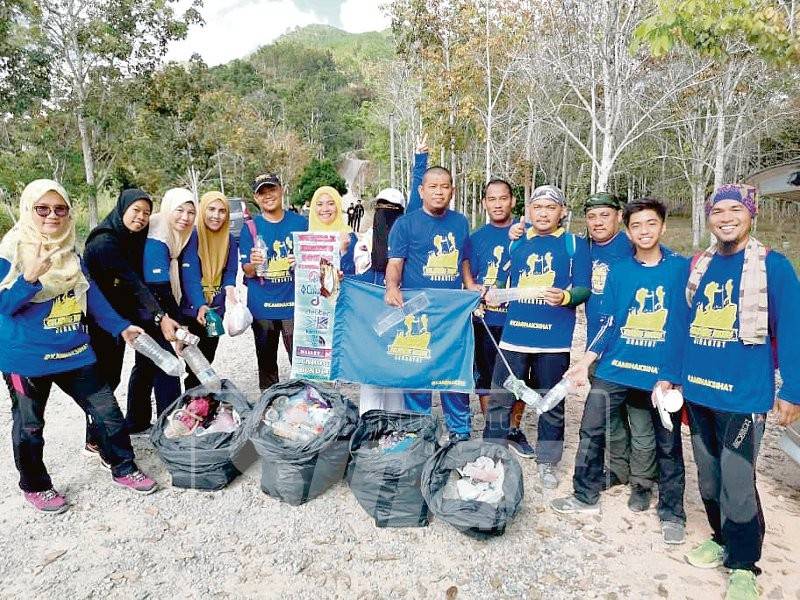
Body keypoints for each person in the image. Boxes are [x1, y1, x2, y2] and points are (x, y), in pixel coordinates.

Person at [0, 179, 157, 513]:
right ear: (29, 210)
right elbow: (3, 305)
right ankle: (35, 484)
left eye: (60, 209)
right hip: (26, 359)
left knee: (107, 413)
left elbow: (92, 297)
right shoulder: (11, 251)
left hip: (74, 351)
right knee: (30, 427)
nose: (52, 216)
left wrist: (121, 326)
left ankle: (123, 466)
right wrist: (28, 279)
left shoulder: (70, 251)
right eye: (43, 209)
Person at [681, 184, 800, 600]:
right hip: (698, 392)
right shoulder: (699, 264)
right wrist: (675, 379)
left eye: (735, 209)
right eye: (717, 210)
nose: (725, 217)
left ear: (752, 213)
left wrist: (794, 390)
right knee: (709, 479)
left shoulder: (774, 266)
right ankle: (719, 536)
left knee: (738, 481)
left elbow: (791, 330)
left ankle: (745, 562)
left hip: (744, 396)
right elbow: (683, 325)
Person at [550, 197, 688, 545]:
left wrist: (672, 374)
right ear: (629, 230)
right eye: (637, 225)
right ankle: (584, 495)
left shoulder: (679, 268)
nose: (644, 231)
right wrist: (584, 361)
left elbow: (682, 325)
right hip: (614, 366)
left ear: (663, 227)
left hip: (658, 371)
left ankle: (670, 511)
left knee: (666, 442)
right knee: (592, 429)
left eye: (651, 224)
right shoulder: (619, 270)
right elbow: (609, 322)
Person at [483, 185, 591, 488]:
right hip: (514, 338)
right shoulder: (517, 243)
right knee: (501, 399)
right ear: (529, 211)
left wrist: (567, 296)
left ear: (562, 212)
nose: (543, 213)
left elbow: (584, 288)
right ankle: (490, 454)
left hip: (553, 341)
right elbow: (503, 282)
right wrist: (495, 294)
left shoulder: (574, 244)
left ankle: (547, 462)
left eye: (550, 207)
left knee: (551, 402)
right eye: (538, 207)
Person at [385, 165, 479, 442]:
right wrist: (392, 287)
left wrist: (470, 284)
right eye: (433, 187)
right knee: (417, 373)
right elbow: (395, 263)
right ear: (421, 191)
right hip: (418, 311)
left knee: (454, 373)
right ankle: (419, 433)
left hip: (452, 315)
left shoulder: (460, 222)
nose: (439, 192)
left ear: (452, 191)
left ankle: (459, 434)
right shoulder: (405, 224)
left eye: (445, 187)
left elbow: (463, 258)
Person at [83, 188, 181, 453]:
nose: (140, 217)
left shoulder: (134, 239)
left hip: (126, 314)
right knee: (107, 378)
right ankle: (93, 438)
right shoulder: (104, 243)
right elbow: (132, 281)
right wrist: (159, 315)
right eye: (135, 211)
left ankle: (145, 423)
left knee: (150, 362)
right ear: (122, 209)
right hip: (101, 319)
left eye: (146, 213)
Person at [466, 179, 535, 458]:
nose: (497, 204)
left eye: (503, 198)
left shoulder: (528, 234)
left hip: (520, 322)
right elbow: (466, 269)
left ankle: (514, 430)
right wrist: (472, 286)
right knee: (486, 376)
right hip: (486, 319)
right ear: (484, 203)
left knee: (519, 378)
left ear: (513, 201)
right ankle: (494, 429)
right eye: (491, 199)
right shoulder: (476, 237)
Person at [583, 192, 638, 489]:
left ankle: (644, 474)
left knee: (641, 417)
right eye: (592, 216)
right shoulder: (583, 247)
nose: (598, 222)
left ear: (618, 216)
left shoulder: (632, 245)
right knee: (609, 414)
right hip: (597, 344)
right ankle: (619, 469)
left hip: (633, 345)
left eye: (605, 215)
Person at [129, 187, 197, 430]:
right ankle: (169, 424)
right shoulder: (158, 236)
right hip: (152, 308)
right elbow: (159, 287)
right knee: (166, 364)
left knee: (146, 363)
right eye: (179, 210)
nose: (185, 217)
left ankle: (135, 421)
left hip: (148, 306)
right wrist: (175, 321)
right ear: (168, 208)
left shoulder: (173, 234)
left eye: (191, 212)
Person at [240, 173, 307, 391]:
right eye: (262, 192)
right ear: (256, 198)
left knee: (300, 362)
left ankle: (305, 403)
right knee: (266, 363)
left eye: (272, 189)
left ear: (281, 190)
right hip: (262, 307)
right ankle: (270, 405)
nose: (268, 195)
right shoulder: (250, 228)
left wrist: (301, 261)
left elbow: (314, 263)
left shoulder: (301, 223)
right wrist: (252, 263)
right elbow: (247, 271)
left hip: (293, 306)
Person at [179, 191, 239, 389]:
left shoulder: (228, 238)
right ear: (202, 210)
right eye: (211, 209)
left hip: (216, 310)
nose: (216, 215)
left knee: (208, 356)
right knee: (193, 360)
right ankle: (190, 398)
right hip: (192, 309)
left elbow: (230, 270)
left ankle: (198, 398)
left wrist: (230, 290)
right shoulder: (193, 236)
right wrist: (200, 305)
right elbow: (190, 276)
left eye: (222, 211)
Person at [308, 186, 355, 274]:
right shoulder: (306, 238)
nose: (325, 209)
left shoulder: (349, 237)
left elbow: (353, 274)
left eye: (331, 203)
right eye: (319, 204)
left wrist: (344, 251)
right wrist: (295, 265)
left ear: (337, 205)